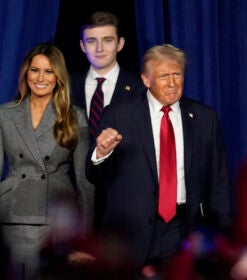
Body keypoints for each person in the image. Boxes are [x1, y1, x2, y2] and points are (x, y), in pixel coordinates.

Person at [85, 44, 232, 274]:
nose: (173, 83)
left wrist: (221, 237)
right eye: (164, 76)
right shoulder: (119, 114)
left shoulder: (204, 118)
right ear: (146, 79)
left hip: (184, 231)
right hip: (131, 236)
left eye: (177, 75)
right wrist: (101, 153)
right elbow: (94, 176)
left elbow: (219, 182)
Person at [0, 43, 94, 280]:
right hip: (10, 216)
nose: (40, 78)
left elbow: (85, 182)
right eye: (35, 70)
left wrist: (84, 238)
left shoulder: (74, 116)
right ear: (26, 73)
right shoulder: (4, 114)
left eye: (49, 71)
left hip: (55, 218)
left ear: (58, 77)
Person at [70, 11, 146, 230]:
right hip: (76, 204)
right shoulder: (66, 87)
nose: (99, 48)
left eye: (107, 40)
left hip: (123, 200)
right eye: (92, 41)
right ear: (83, 46)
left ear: (120, 44)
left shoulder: (140, 88)